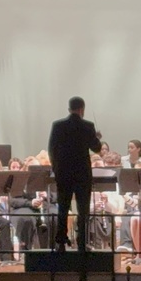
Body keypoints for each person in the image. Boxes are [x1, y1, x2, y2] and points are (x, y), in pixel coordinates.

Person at [47, 96, 102, 252]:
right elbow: (96, 148)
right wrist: (97, 138)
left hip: (63, 174)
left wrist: (56, 169)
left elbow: (52, 149)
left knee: (63, 208)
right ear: (82, 109)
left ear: (69, 109)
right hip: (82, 174)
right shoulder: (88, 126)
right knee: (83, 209)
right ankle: (82, 242)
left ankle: (61, 242)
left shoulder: (57, 125)